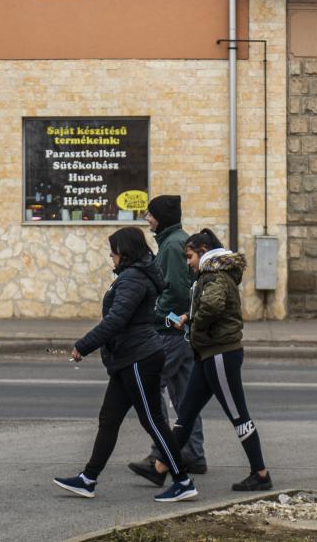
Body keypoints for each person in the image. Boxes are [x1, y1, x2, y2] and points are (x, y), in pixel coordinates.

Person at [54, 227, 199, 503]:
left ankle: (183, 481)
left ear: (124, 252)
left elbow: (116, 320)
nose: (110, 256)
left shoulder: (132, 278)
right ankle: (88, 479)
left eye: (113, 251)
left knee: (153, 421)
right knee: (109, 419)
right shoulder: (134, 275)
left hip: (138, 358)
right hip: (128, 358)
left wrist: (83, 345)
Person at [135, 229, 272, 492]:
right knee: (185, 412)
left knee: (237, 414)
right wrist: (190, 317)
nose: (188, 262)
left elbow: (213, 306)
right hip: (207, 354)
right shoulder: (210, 276)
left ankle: (261, 473)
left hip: (221, 352)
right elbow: (207, 305)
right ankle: (161, 467)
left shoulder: (215, 275)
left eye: (189, 256)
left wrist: (194, 321)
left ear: (203, 252)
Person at [130, 194, 206, 479]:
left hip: (171, 331)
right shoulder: (174, 242)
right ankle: (192, 454)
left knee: (150, 387)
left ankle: (160, 453)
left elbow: (173, 292)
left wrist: (153, 313)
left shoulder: (173, 245)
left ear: (160, 217)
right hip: (183, 332)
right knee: (185, 396)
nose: (147, 219)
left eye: (150, 214)